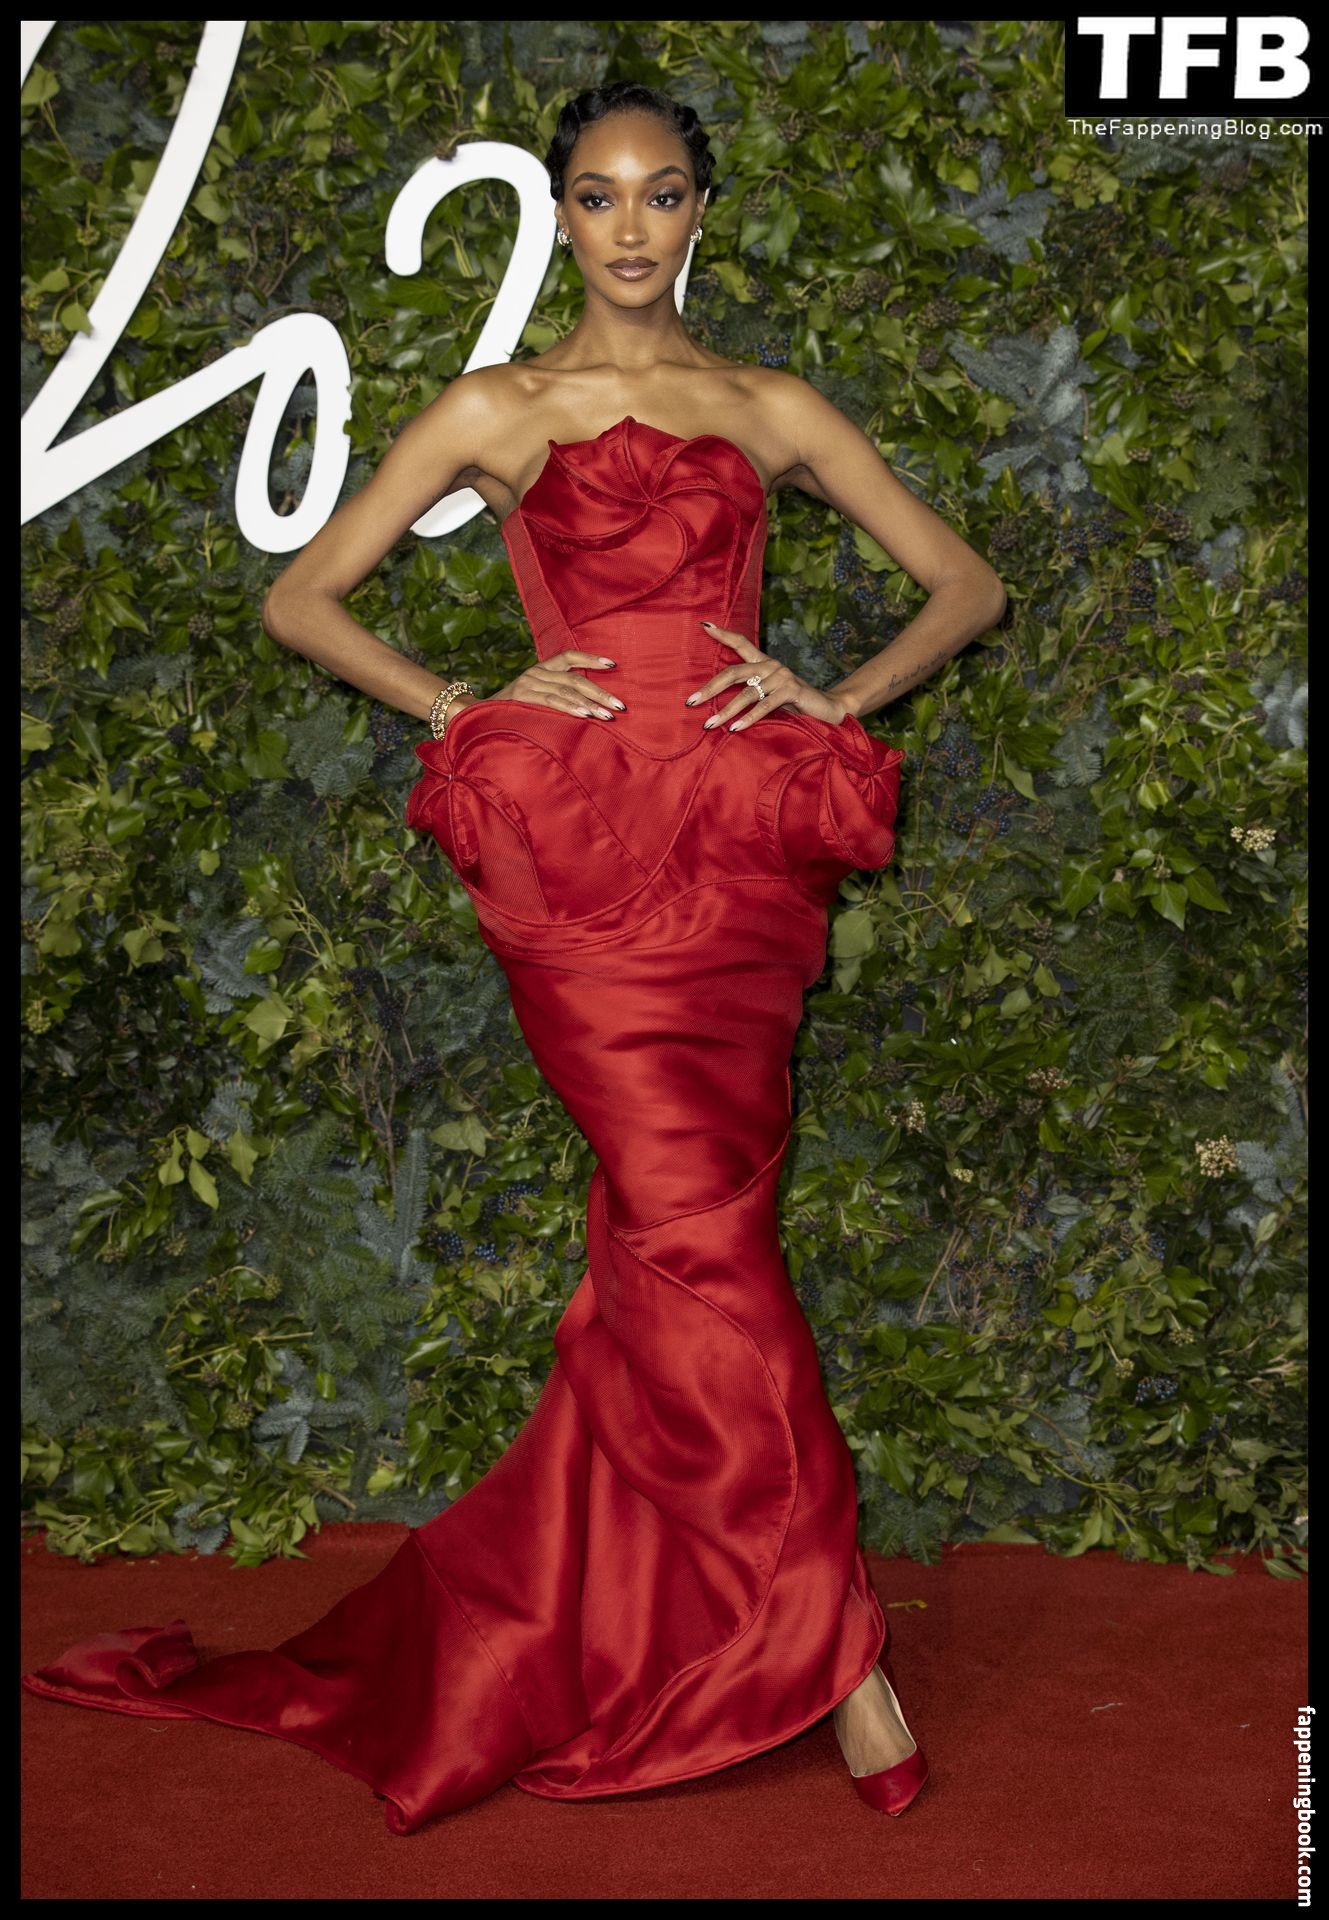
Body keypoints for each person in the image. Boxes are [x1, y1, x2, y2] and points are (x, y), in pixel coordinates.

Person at [23, 82, 1006, 1831]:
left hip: (736, 856)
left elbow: (963, 585)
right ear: (559, 216)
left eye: (661, 193)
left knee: (681, 1239)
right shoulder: (496, 406)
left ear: (700, 212)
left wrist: (827, 698)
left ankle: (644, 1599)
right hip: (578, 862)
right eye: (598, 196)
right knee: (698, 1231)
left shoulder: (769, 406)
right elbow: (303, 597)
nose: (630, 225)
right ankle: (835, 1653)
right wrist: (461, 705)